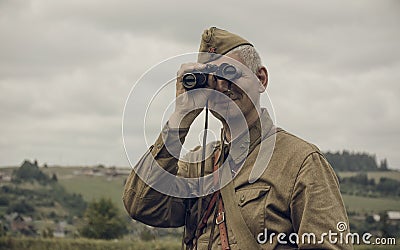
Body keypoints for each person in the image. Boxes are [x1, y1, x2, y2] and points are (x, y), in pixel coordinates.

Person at [123, 27, 353, 250]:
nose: (221, 86)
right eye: (211, 78)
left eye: (230, 73)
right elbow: (142, 206)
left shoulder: (300, 162)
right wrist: (181, 116)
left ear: (261, 79)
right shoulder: (198, 164)